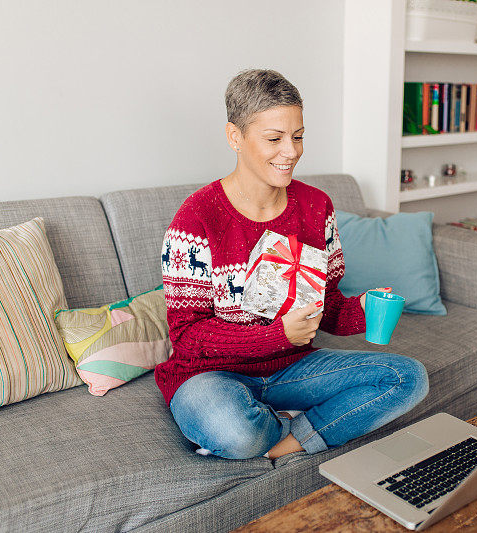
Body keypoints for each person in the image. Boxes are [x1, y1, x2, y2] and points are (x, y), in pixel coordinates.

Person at [155, 69, 429, 460]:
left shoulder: (316, 208)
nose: (291, 152)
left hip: (294, 370)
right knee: (232, 429)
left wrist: (363, 309)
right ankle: (289, 424)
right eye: (274, 139)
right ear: (235, 137)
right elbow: (187, 337)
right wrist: (277, 334)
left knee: (408, 377)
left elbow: (326, 307)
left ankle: (291, 438)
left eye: (298, 137)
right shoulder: (197, 219)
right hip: (212, 376)